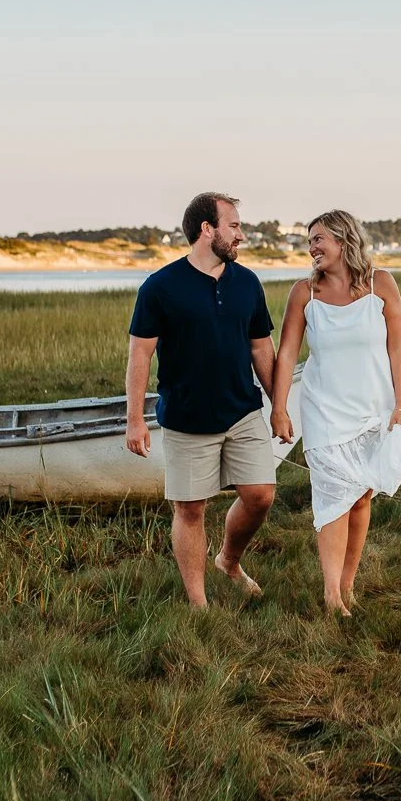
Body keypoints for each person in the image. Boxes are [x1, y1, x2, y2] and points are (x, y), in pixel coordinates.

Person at [124, 192, 277, 609]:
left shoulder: (246, 282)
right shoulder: (160, 287)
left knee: (261, 495)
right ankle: (199, 605)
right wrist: (134, 419)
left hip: (242, 411)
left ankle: (228, 560)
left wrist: (277, 405)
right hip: (187, 418)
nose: (241, 235)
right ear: (207, 230)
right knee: (191, 510)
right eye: (234, 226)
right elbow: (141, 353)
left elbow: (261, 347)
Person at [270, 210, 401, 617]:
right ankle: (332, 595)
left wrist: (400, 406)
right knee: (334, 497)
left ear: (342, 238)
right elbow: (287, 355)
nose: (311, 247)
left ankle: (348, 587)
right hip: (324, 412)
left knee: (361, 497)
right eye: (309, 241)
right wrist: (280, 408)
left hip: (373, 410)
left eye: (318, 239)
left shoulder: (381, 283)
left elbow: (397, 349)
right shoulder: (304, 294)